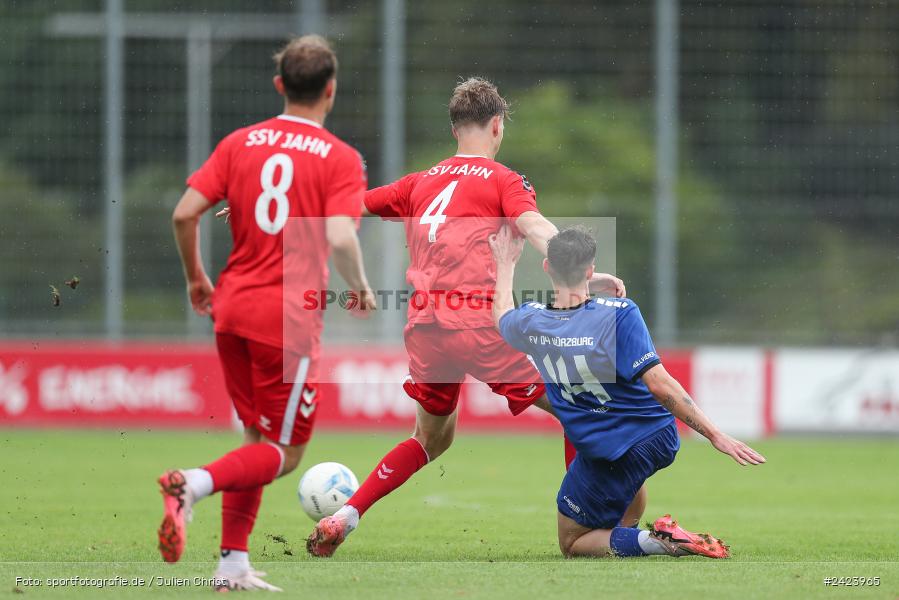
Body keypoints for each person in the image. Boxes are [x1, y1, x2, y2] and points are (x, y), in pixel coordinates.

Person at [306, 77, 626, 557]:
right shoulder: (503, 180)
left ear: (455, 129)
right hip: (478, 323)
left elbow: (345, 207)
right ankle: (587, 525)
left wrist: (255, 206)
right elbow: (535, 226)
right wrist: (580, 273)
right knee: (578, 405)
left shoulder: (418, 182)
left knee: (430, 438)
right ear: (497, 126)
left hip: (424, 328)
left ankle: (345, 516)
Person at [161, 35, 374, 591]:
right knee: (285, 453)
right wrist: (359, 289)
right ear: (331, 91)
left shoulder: (239, 143)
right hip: (287, 321)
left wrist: (196, 278)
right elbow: (340, 237)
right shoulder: (339, 157)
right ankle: (193, 484)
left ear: (280, 84)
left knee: (257, 437)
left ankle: (232, 565)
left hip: (230, 309)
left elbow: (184, 214)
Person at [488, 225, 766, 558]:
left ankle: (658, 541)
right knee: (623, 496)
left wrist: (505, 264)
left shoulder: (531, 320)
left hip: (609, 448)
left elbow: (501, 314)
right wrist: (714, 434)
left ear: (547, 267)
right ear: (590, 270)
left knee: (572, 542)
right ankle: (632, 536)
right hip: (656, 435)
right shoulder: (620, 313)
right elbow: (659, 384)